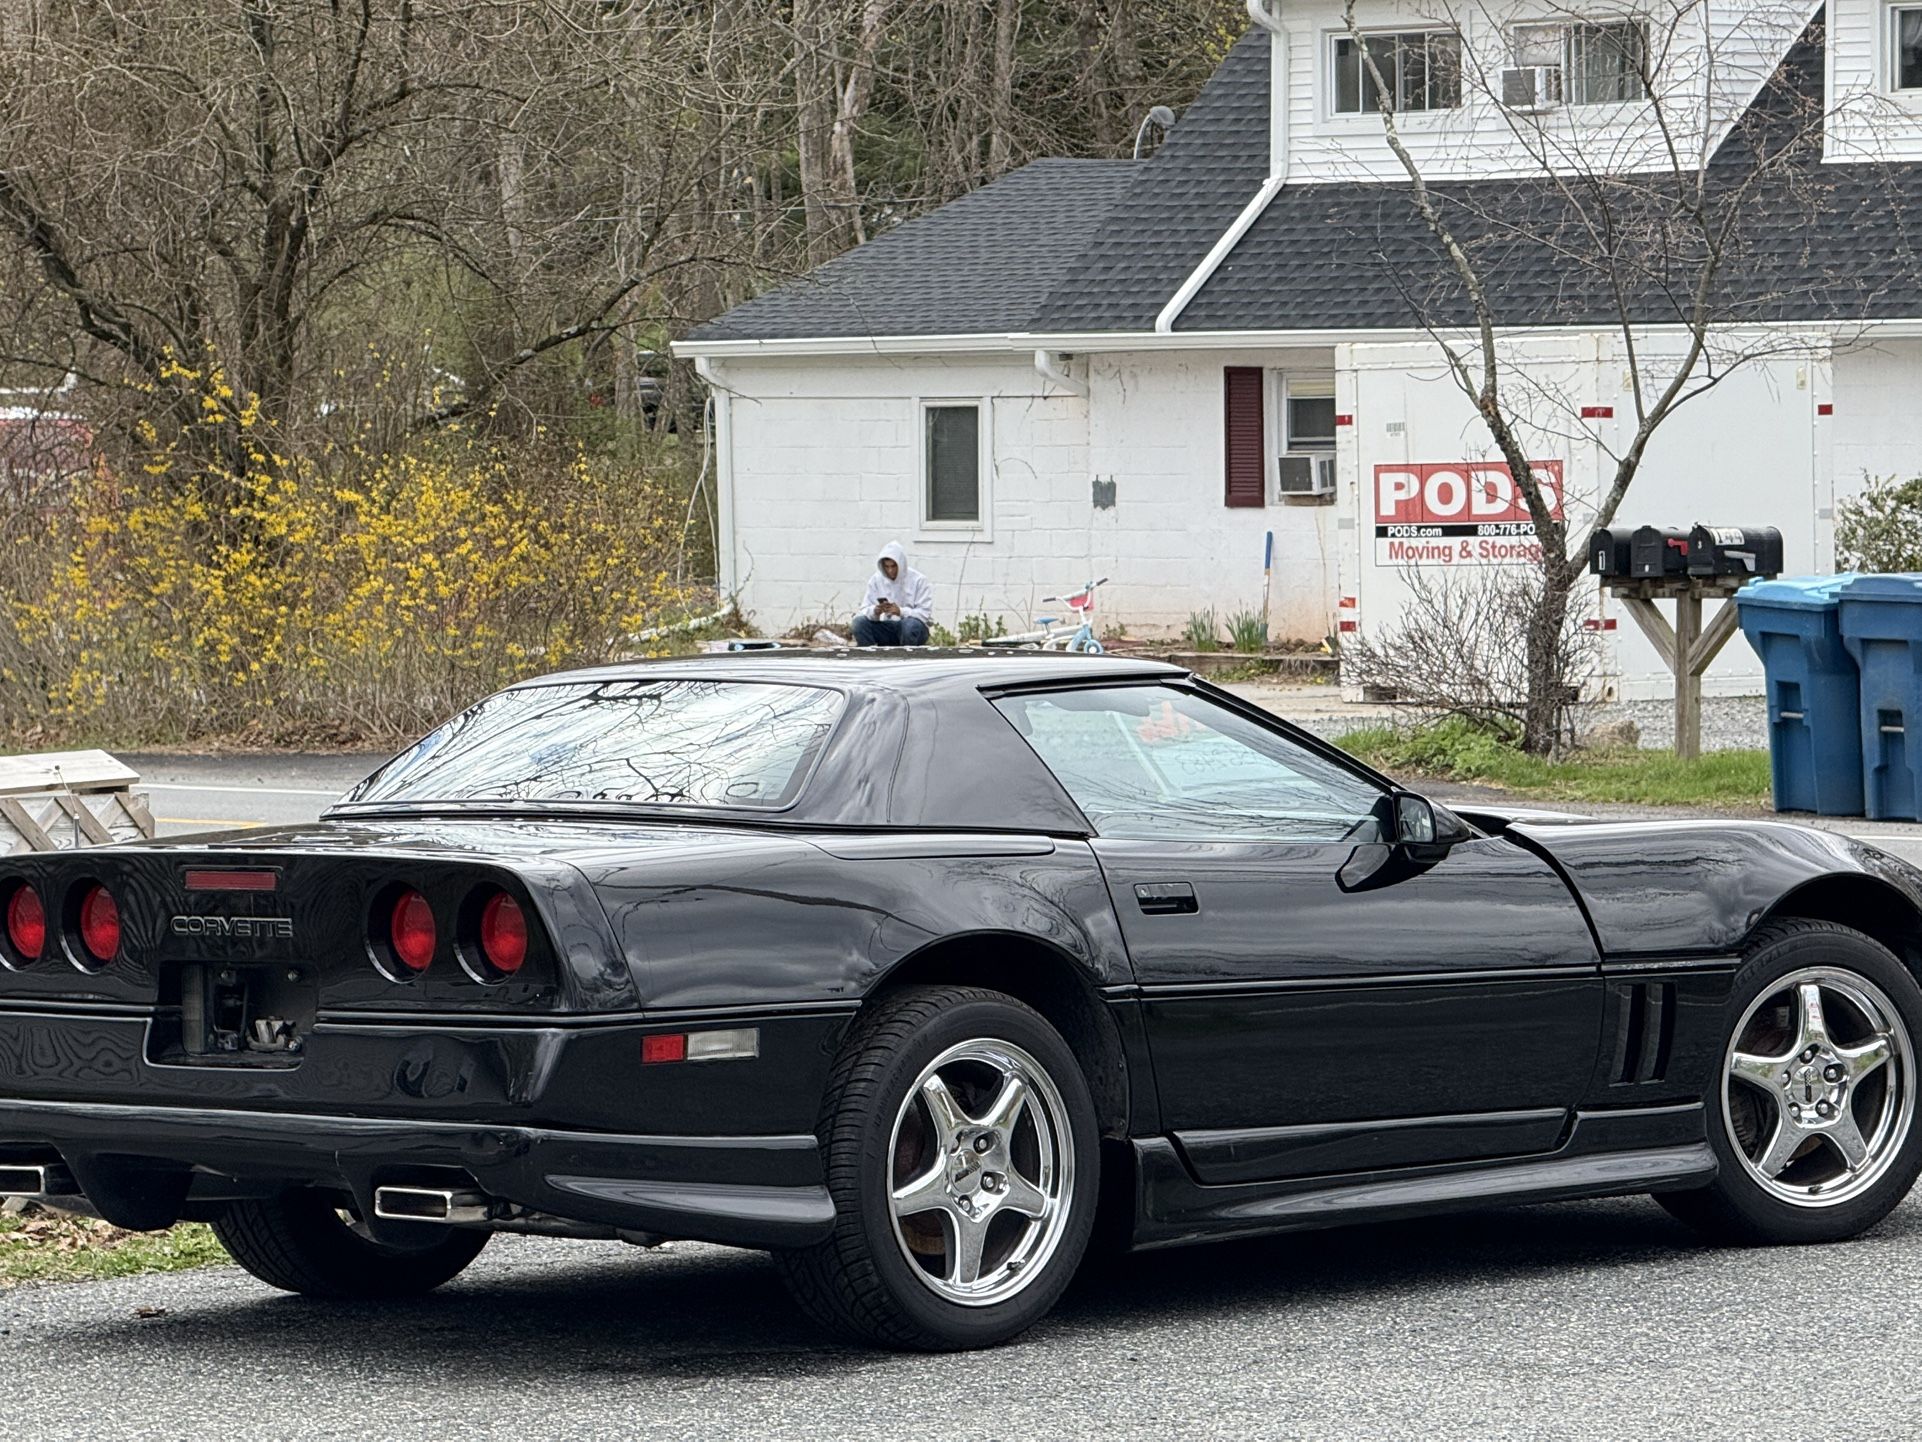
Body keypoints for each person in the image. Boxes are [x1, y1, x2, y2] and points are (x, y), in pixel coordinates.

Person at [852, 541, 933, 646]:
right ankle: (871, 658)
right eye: (886, 566)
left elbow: (924, 614)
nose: (890, 570)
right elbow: (864, 609)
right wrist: (875, 611)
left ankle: (907, 658)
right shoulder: (876, 580)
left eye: (893, 566)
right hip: (887, 626)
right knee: (859, 623)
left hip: (913, 628)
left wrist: (901, 611)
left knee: (910, 625)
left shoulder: (918, 580)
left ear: (901, 564)